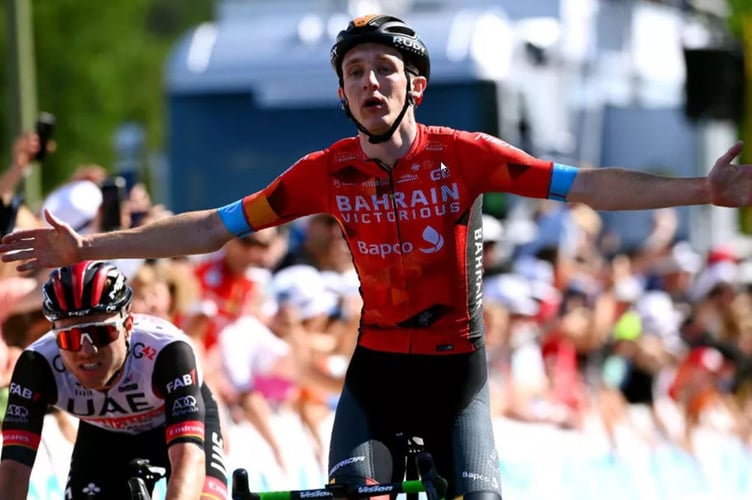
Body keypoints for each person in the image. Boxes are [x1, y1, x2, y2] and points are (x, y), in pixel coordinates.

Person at [3, 13, 752, 500]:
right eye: (355, 72)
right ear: (342, 96)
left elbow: (588, 185)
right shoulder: (323, 172)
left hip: (458, 373)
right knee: (351, 496)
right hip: (379, 369)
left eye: (384, 70)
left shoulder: (468, 157)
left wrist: (701, 191)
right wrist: (89, 247)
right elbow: (210, 231)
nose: (370, 82)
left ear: (415, 86)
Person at [0, 261, 228, 500]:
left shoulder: (168, 353)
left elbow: (187, 457)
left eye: (101, 333)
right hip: (103, 434)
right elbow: (15, 467)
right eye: (71, 338)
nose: (87, 350)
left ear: (128, 325)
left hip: (170, 424)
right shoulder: (37, 365)